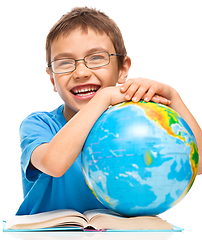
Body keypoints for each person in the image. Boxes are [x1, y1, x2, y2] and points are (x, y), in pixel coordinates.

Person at [16, 7, 202, 215]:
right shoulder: (39, 124)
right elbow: (55, 164)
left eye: (96, 58)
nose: (81, 73)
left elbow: (199, 164)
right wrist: (103, 98)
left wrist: (173, 97)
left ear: (123, 69)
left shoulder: (141, 121)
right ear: (53, 79)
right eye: (65, 63)